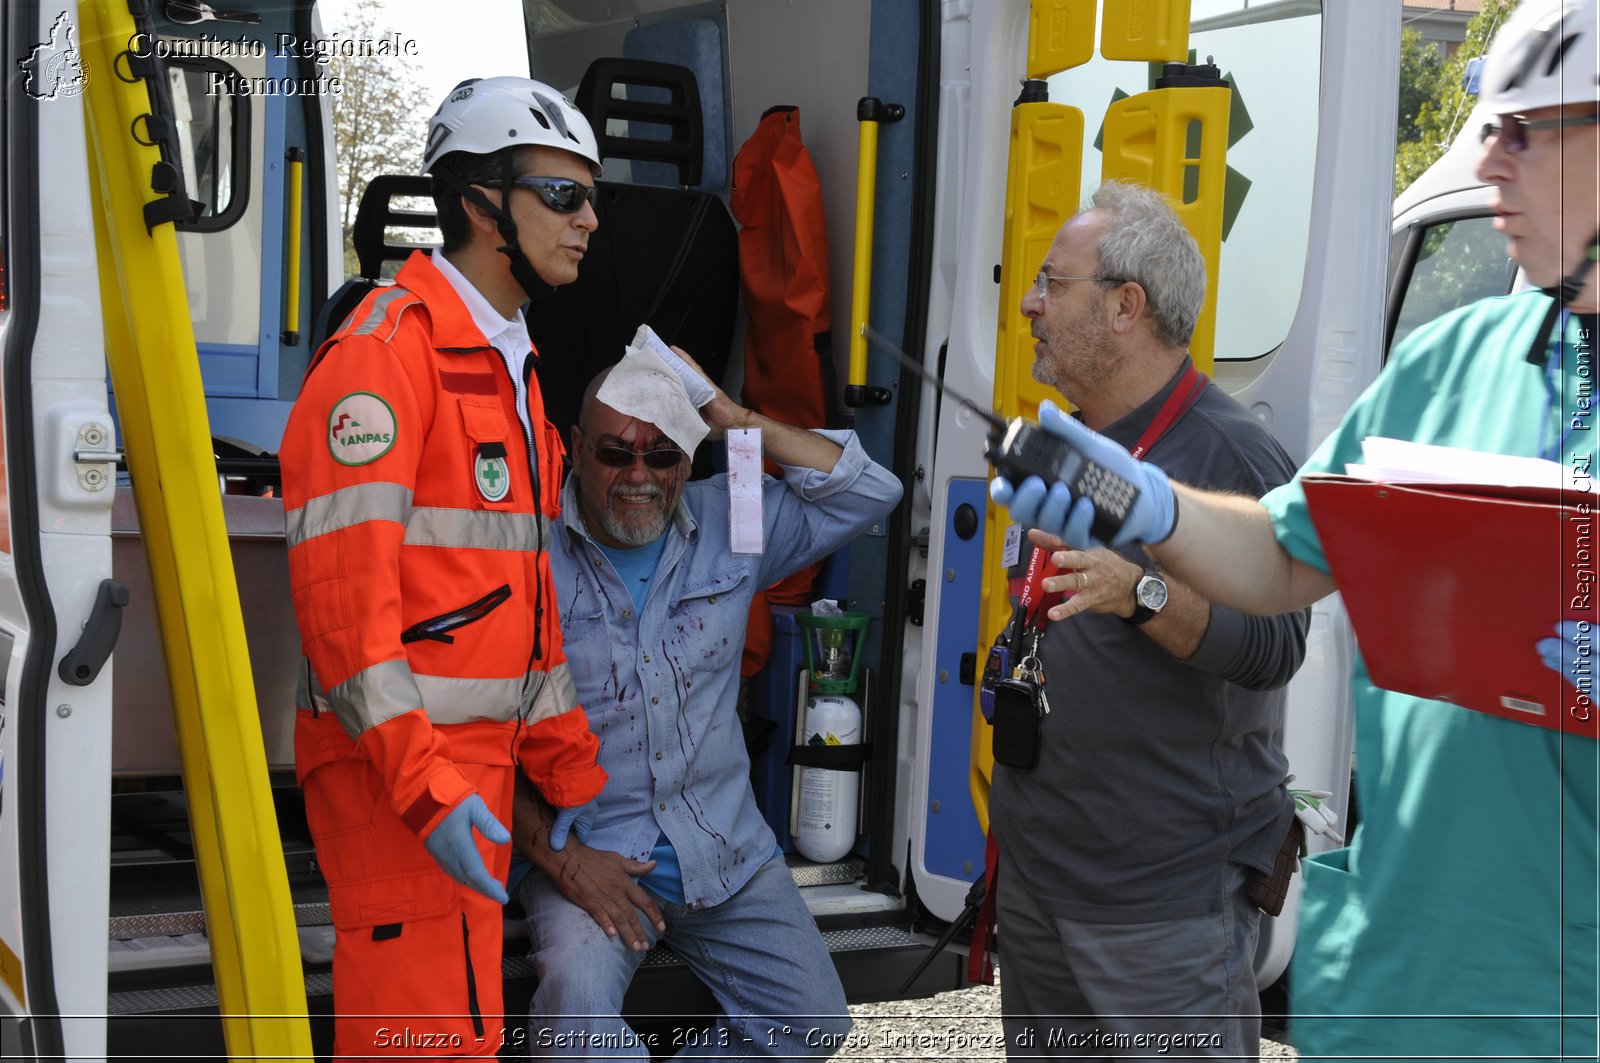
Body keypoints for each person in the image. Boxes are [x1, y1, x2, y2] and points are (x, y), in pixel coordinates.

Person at [992, 2, 1599, 1059]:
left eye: (1524, 128)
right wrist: (1142, 499)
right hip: (1395, 985)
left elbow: (1265, 651)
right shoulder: (1450, 359)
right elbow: (1279, 559)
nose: (1485, 159)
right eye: (1484, 126)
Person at [280, 77, 610, 1058]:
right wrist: (429, 790)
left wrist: (572, 772)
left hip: (474, 778)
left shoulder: (507, 362)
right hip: (398, 782)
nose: (588, 220)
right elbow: (345, 623)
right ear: (478, 202)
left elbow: (524, 606)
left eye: (593, 198)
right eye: (563, 195)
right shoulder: (386, 358)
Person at [987, 180, 1308, 1059]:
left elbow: (1277, 646)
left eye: (1054, 282)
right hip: (1045, 877)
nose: (1029, 301)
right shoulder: (1069, 439)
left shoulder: (1232, 452)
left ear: (1126, 305)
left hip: (1163, 900)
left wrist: (1142, 593)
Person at [507, 355, 901, 1058]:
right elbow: (477, 733)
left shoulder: (734, 520)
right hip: (593, 854)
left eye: (662, 453)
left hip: (723, 849)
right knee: (576, 1026)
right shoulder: (525, 548)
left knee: (815, 1024)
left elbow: (871, 489)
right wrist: (565, 862)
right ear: (572, 445)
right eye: (613, 451)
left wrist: (733, 415)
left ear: (687, 462)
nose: (638, 474)